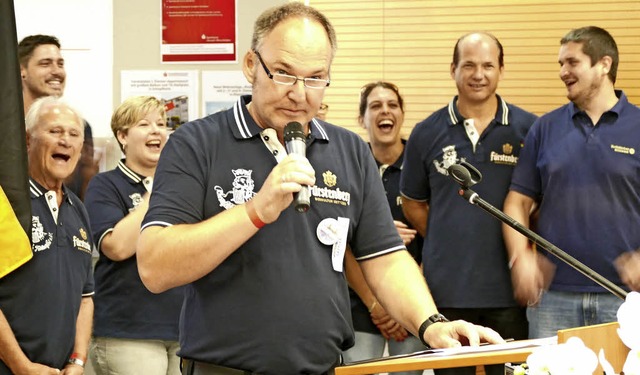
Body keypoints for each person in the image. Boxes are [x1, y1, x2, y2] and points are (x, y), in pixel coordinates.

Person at [136, 4, 503, 375]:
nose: (299, 94)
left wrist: (432, 323)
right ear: (251, 65)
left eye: (315, 78)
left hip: (325, 367)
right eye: (283, 74)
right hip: (223, 369)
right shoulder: (196, 143)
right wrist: (254, 212)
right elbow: (155, 266)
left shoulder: (349, 151)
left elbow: (386, 259)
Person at [401, 32, 537, 375]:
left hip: (507, 292)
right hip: (447, 290)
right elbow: (412, 202)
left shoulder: (529, 129)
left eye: (488, 65)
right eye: (469, 65)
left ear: (501, 71)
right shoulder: (426, 132)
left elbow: (539, 203)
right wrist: (448, 235)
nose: (479, 74)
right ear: (453, 70)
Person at [503, 26, 640, 339]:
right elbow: (517, 202)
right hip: (553, 299)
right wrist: (520, 255)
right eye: (560, 64)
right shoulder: (544, 128)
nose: (563, 71)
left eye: (572, 62)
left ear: (603, 65)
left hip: (626, 300)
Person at [84, 96, 183, 375]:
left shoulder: (186, 186)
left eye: (162, 124)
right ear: (123, 136)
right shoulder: (105, 185)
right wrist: (160, 191)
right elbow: (116, 247)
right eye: (144, 124)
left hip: (183, 329)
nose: (156, 131)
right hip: (129, 330)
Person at [0, 96, 94, 374]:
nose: (66, 140)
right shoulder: (7, 202)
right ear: (28, 141)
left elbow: (86, 297)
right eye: (55, 131)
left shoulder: (79, 209)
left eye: (74, 134)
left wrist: (77, 361)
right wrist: (22, 366)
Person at [342, 82, 424, 374]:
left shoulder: (421, 163)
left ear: (402, 114)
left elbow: (437, 236)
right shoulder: (349, 164)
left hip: (411, 304)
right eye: (375, 106)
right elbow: (341, 241)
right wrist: (376, 306)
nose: (385, 111)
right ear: (362, 117)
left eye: (392, 105)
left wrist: (403, 303)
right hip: (359, 305)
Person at [18, 34, 98, 201]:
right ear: (21, 71)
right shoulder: (7, 126)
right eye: (45, 64)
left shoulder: (81, 127)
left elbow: (80, 196)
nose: (56, 71)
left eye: (60, 64)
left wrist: (90, 177)